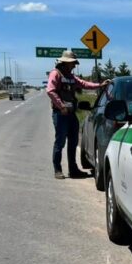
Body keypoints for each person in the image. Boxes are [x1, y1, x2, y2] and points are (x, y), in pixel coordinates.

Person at [46, 50, 111, 179]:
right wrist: (61, 106)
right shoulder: (56, 74)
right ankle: (57, 169)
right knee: (60, 142)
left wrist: (100, 85)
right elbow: (50, 91)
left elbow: (84, 84)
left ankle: (73, 169)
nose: (74, 65)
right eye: (72, 63)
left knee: (73, 142)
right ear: (65, 63)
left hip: (71, 114)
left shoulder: (71, 76)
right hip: (61, 114)